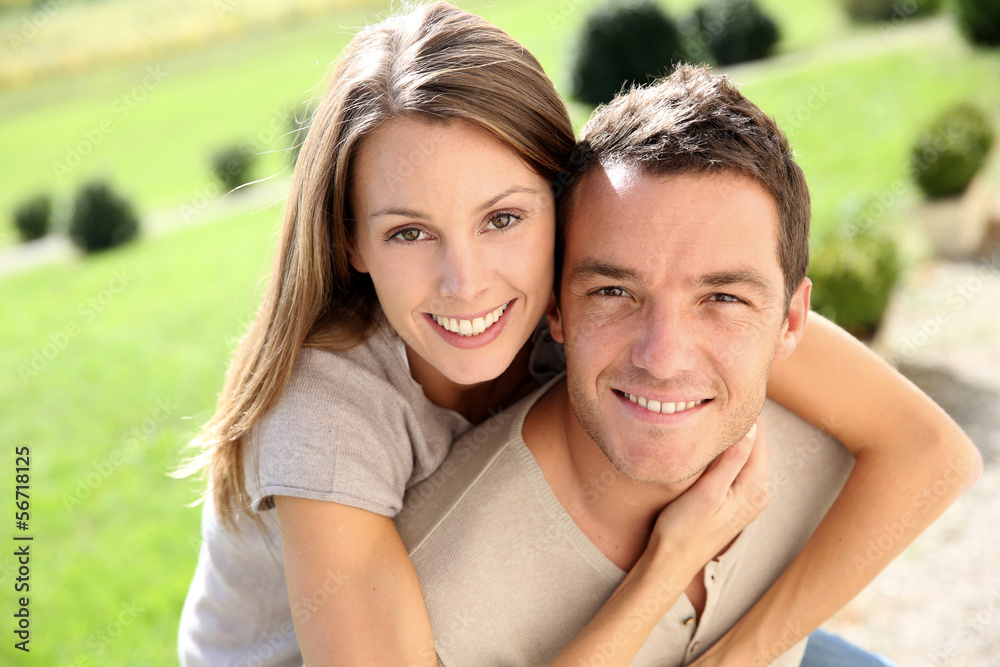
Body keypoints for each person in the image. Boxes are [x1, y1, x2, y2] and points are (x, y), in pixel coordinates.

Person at [177, 4, 980, 666]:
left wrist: (742, 654)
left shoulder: (598, 278)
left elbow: (929, 450)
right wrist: (672, 560)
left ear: (562, 209)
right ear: (351, 241)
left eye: (502, 218)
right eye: (409, 234)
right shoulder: (325, 418)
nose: (467, 283)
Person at [393, 64, 981, 666]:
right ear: (556, 309)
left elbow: (934, 456)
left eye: (721, 299)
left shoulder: (807, 394)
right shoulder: (439, 600)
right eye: (614, 293)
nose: (663, 357)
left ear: (793, 321)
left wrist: (743, 654)